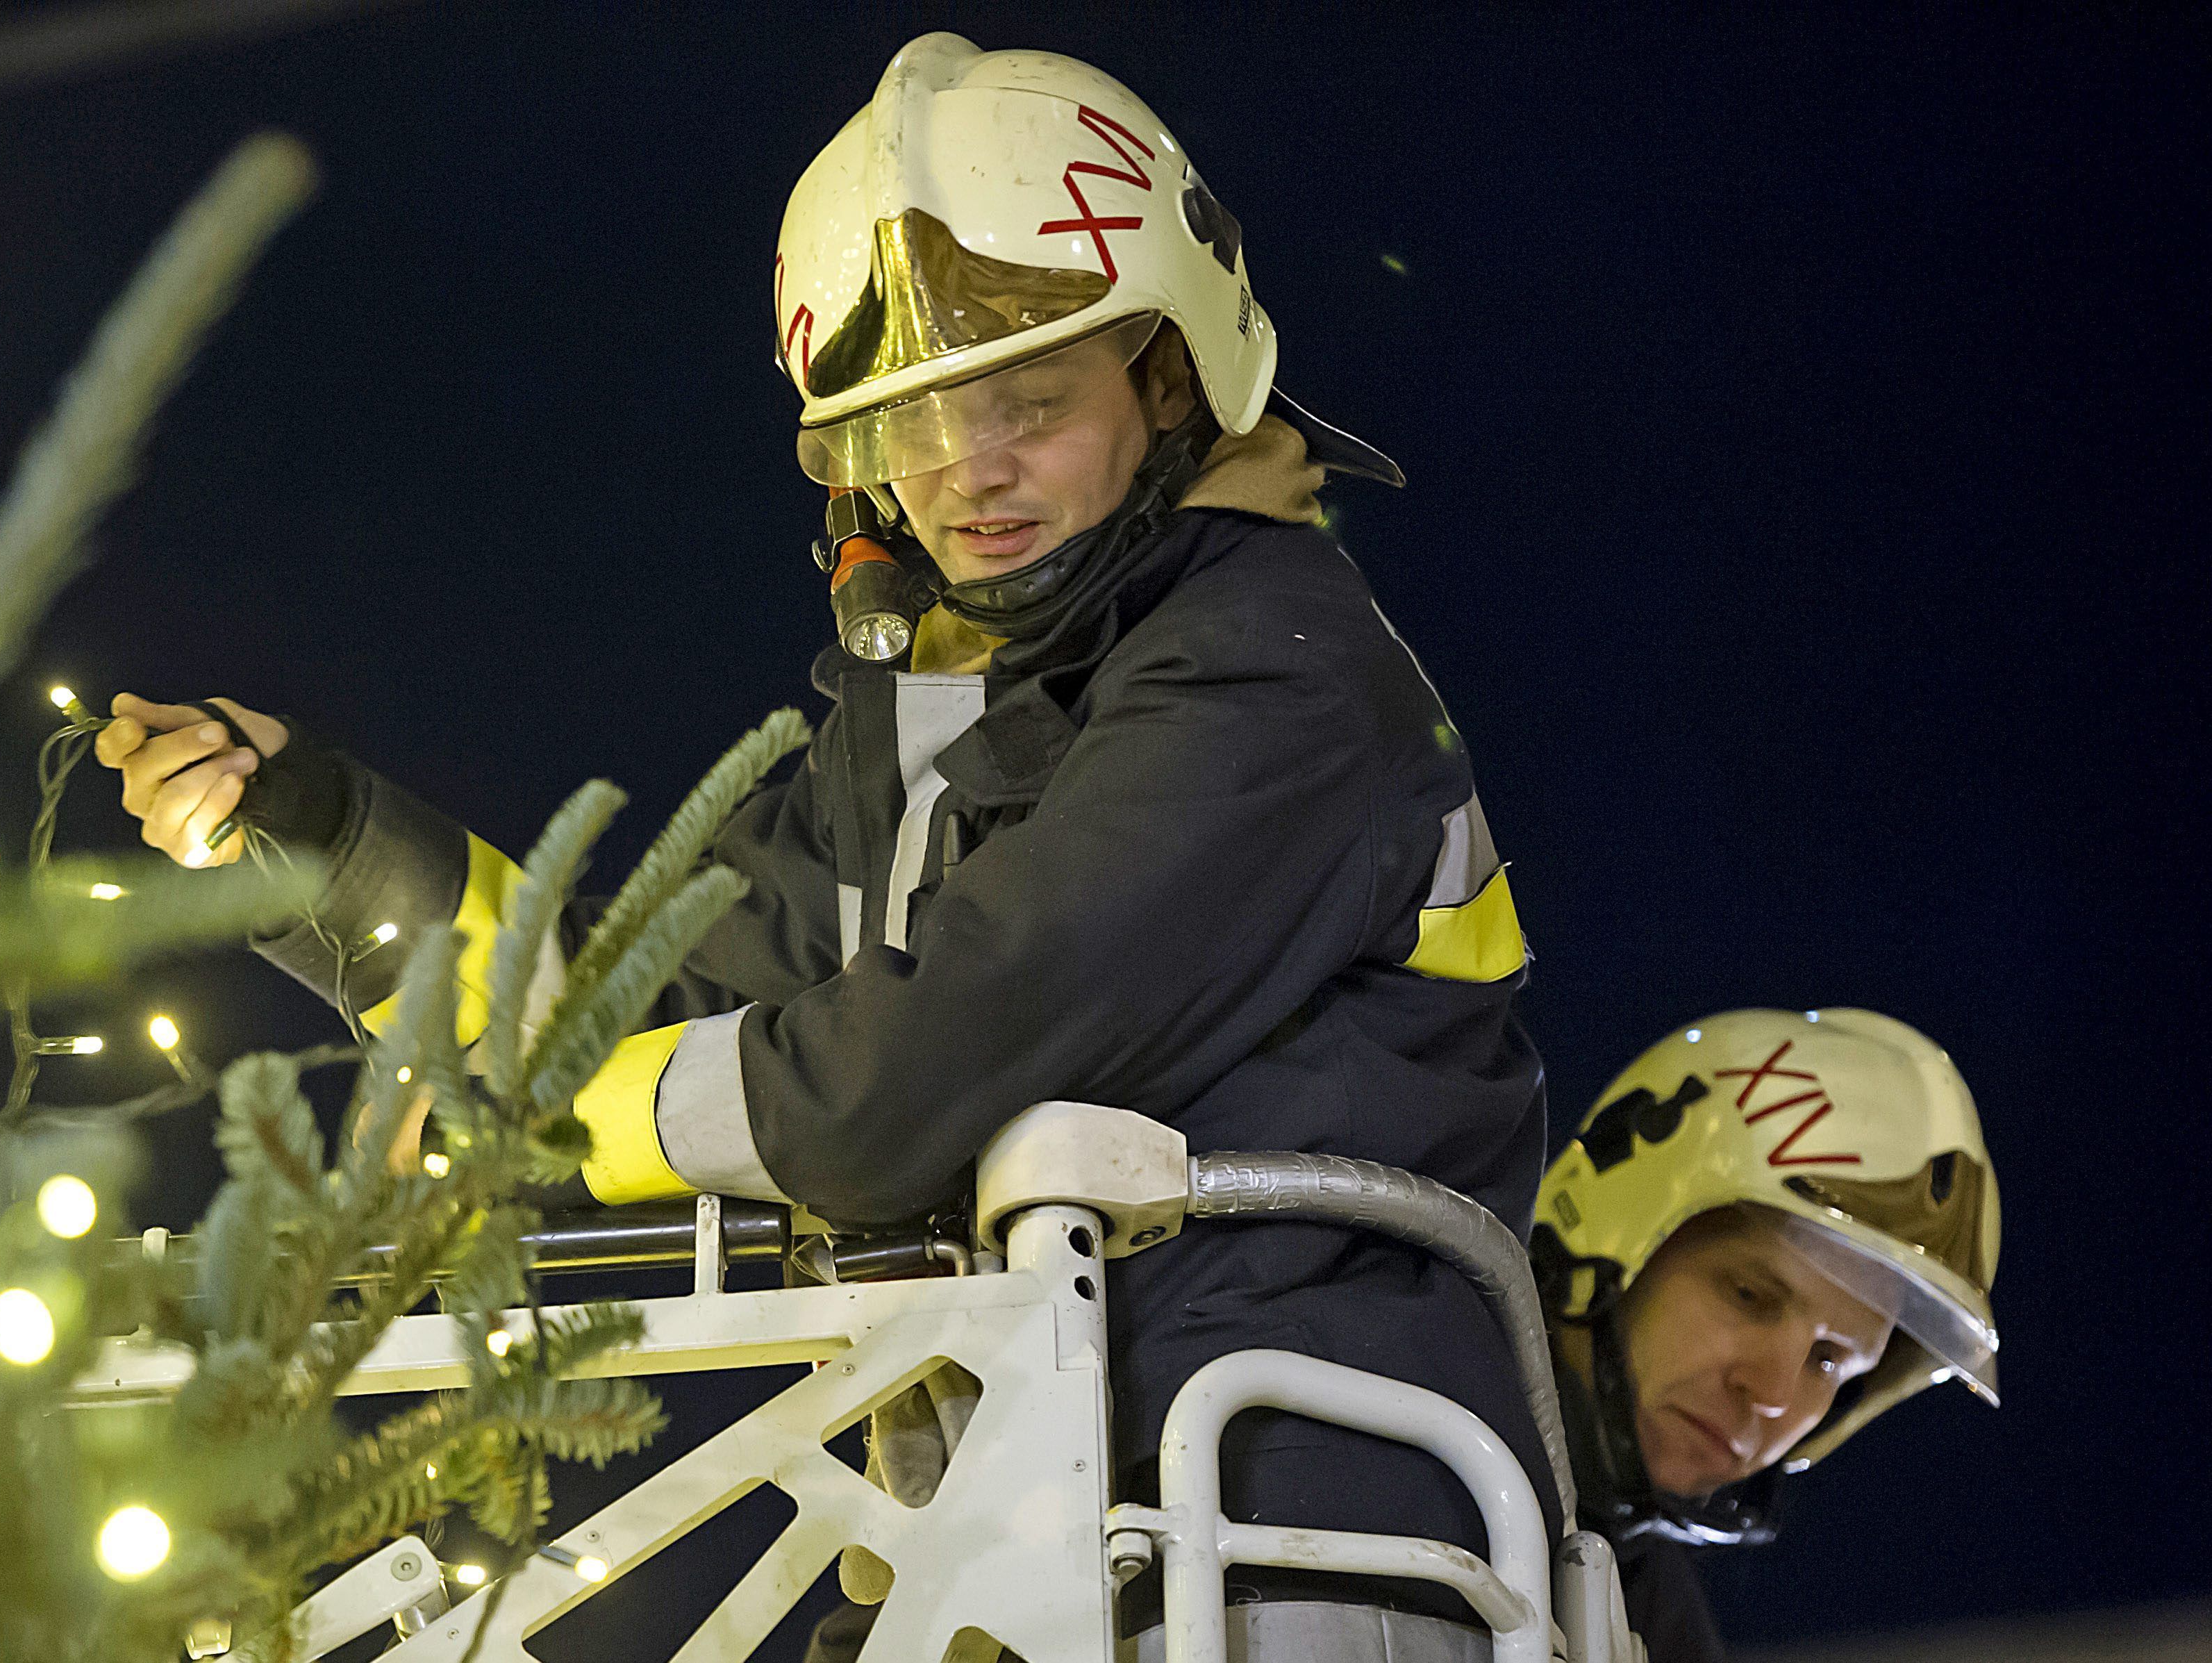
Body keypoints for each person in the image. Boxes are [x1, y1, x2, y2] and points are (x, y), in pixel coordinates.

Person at [101, 33, 1552, 1649]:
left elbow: (896, 1079)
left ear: (1168, 373)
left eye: (1027, 399)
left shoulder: (1276, 677)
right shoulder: (928, 715)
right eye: (911, 423)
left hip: (1283, 1550)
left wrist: (566, 1113)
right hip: (1015, 1539)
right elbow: (653, 1014)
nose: (968, 471)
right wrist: (322, 840)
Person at [1533, 1007, 2005, 1663]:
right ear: (1611, 1230)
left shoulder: (1648, 1609)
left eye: (1831, 1359)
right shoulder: (1386, 1434)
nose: (1776, 1397)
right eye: (1750, 1296)